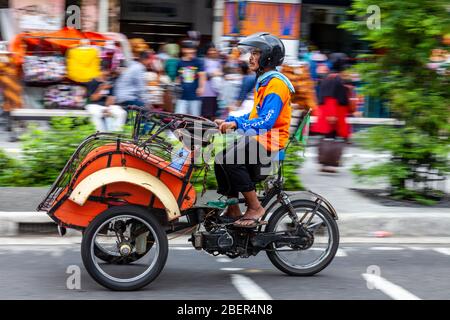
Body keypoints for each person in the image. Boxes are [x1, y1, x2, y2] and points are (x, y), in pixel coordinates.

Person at [213, 33, 295, 228]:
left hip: (271, 140)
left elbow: (266, 121)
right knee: (219, 160)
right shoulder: (265, 82)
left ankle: (255, 207)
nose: (250, 57)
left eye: (256, 53)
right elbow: (253, 116)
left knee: (231, 161)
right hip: (261, 138)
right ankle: (233, 208)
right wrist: (230, 120)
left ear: (267, 56)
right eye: (251, 52)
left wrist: (236, 125)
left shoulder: (276, 85)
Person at [311, 54, 353, 173]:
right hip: (334, 113)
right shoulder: (335, 78)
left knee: (330, 138)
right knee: (330, 138)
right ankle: (328, 162)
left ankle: (328, 162)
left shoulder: (329, 77)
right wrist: (332, 115)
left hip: (332, 112)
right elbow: (330, 98)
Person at [85, 65, 127, 132]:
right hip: (93, 105)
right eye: (104, 72)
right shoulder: (93, 82)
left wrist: (108, 108)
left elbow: (111, 98)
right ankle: (100, 134)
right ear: (100, 71)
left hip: (106, 106)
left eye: (107, 73)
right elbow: (93, 98)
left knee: (122, 113)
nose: (106, 75)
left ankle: (116, 134)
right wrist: (101, 88)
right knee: (96, 114)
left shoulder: (109, 83)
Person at [175, 40, 206, 116]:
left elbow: (202, 75)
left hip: (195, 95)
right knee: (178, 117)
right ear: (183, 50)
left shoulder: (198, 61)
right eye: (189, 49)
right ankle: (179, 128)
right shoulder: (179, 62)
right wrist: (176, 86)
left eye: (193, 49)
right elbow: (178, 77)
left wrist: (201, 87)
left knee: (196, 118)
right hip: (182, 96)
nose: (192, 51)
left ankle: (197, 129)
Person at [200, 43, 223, 119]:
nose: (213, 52)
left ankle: (212, 130)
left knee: (214, 114)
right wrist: (212, 74)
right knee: (204, 115)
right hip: (206, 92)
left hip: (216, 93)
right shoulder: (202, 61)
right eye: (211, 50)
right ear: (207, 51)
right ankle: (199, 131)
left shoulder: (219, 62)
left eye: (214, 50)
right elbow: (200, 75)